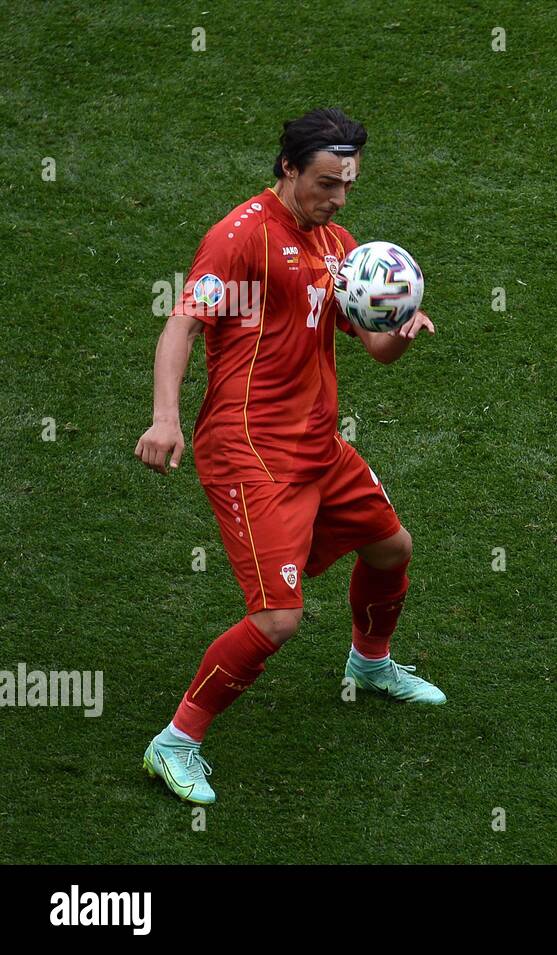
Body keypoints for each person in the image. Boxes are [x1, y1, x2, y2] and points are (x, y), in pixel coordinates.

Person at [135, 108, 443, 805]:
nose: (337, 199)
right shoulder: (238, 239)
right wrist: (164, 417)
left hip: (318, 445)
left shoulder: (338, 244)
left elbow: (375, 349)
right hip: (250, 454)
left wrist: (402, 324)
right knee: (277, 617)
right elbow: (182, 325)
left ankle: (369, 664)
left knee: (392, 547)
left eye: (348, 186)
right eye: (326, 183)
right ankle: (176, 740)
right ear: (288, 169)